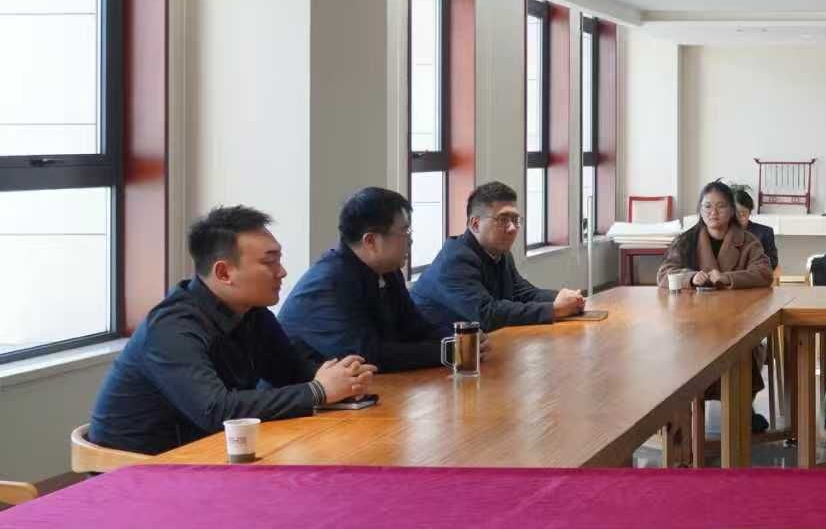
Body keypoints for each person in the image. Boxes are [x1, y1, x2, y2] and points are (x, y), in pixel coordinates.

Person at [87, 206, 376, 455]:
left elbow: (291, 372)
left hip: (211, 450)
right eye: (269, 262)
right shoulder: (172, 327)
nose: (282, 272)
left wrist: (343, 379)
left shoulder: (252, 313)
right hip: (141, 466)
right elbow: (216, 410)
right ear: (224, 273)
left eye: (279, 259)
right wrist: (318, 390)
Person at [279, 187, 450, 371]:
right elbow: (367, 356)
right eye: (405, 231)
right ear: (370, 241)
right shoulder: (328, 283)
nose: (410, 241)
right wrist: (449, 351)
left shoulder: (388, 271)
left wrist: (459, 341)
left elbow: (416, 327)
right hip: (306, 386)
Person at [413, 181, 586, 330]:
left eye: (515, 220)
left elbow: (523, 293)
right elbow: (486, 314)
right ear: (475, 224)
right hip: (436, 351)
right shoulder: (455, 260)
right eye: (503, 220)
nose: (512, 228)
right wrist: (554, 309)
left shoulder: (500, 253)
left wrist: (566, 298)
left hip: (479, 345)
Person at [658, 181, 774, 289]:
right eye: (707, 206)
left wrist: (727, 278)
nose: (713, 212)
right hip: (695, 303)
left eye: (721, 206)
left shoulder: (749, 241)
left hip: (738, 302)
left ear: (732, 211)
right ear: (700, 210)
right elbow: (663, 274)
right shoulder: (685, 240)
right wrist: (691, 277)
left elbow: (764, 274)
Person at [732, 184, 779, 271]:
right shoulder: (724, 232)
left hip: (755, 275)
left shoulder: (765, 232)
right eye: (737, 212)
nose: (741, 216)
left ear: (750, 211)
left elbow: (772, 262)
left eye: (744, 212)